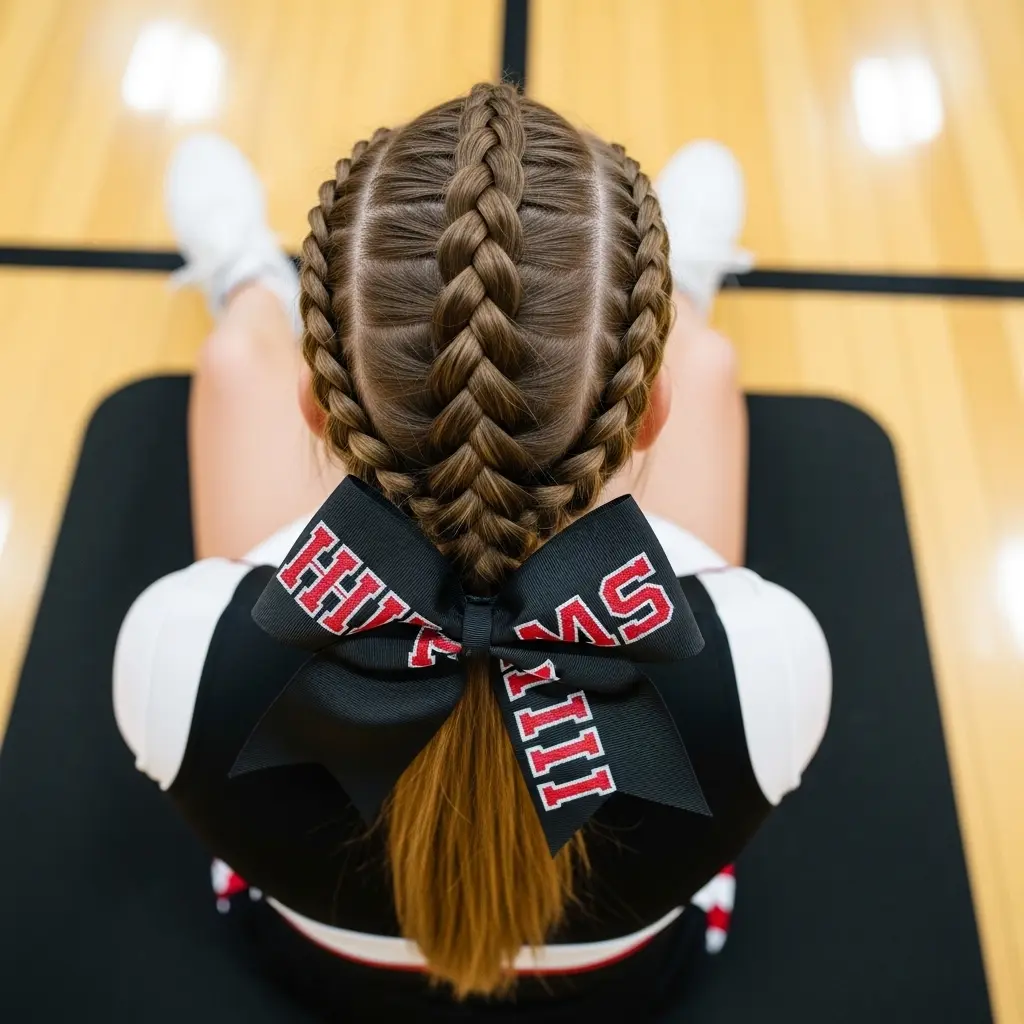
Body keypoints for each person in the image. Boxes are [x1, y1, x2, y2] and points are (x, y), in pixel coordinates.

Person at [113, 83, 830, 1021]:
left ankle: (250, 284)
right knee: (712, 362)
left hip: (322, 968)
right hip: (616, 984)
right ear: (650, 411)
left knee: (233, 363)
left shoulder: (172, 652)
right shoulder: (775, 663)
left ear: (317, 407)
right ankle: (682, 298)